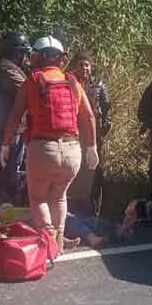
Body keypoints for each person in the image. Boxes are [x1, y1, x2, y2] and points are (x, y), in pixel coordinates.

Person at [0, 35, 99, 252]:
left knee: (38, 198)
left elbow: (16, 114)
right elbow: (89, 117)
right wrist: (92, 147)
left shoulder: (33, 80)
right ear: (61, 59)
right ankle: (60, 240)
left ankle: (50, 239)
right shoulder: (73, 81)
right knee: (59, 196)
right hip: (73, 150)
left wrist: (6, 143)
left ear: (38, 57)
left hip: (43, 149)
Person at [0, 32, 31, 205]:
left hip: (10, 128)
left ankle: (6, 203)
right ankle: (7, 207)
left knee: (10, 169)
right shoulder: (6, 68)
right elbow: (28, 91)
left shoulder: (7, 67)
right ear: (16, 53)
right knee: (10, 171)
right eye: (24, 53)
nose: (26, 57)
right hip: (8, 130)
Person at [65, 51, 111, 216]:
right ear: (73, 66)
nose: (84, 68)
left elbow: (107, 107)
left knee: (94, 171)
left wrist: (104, 126)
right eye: (81, 64)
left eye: (87, 64)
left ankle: (93, 210)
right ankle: (72, 208)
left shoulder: (98, 84)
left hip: (94, 135)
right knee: (75, 170)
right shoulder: (68, 82)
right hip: (74, 134)